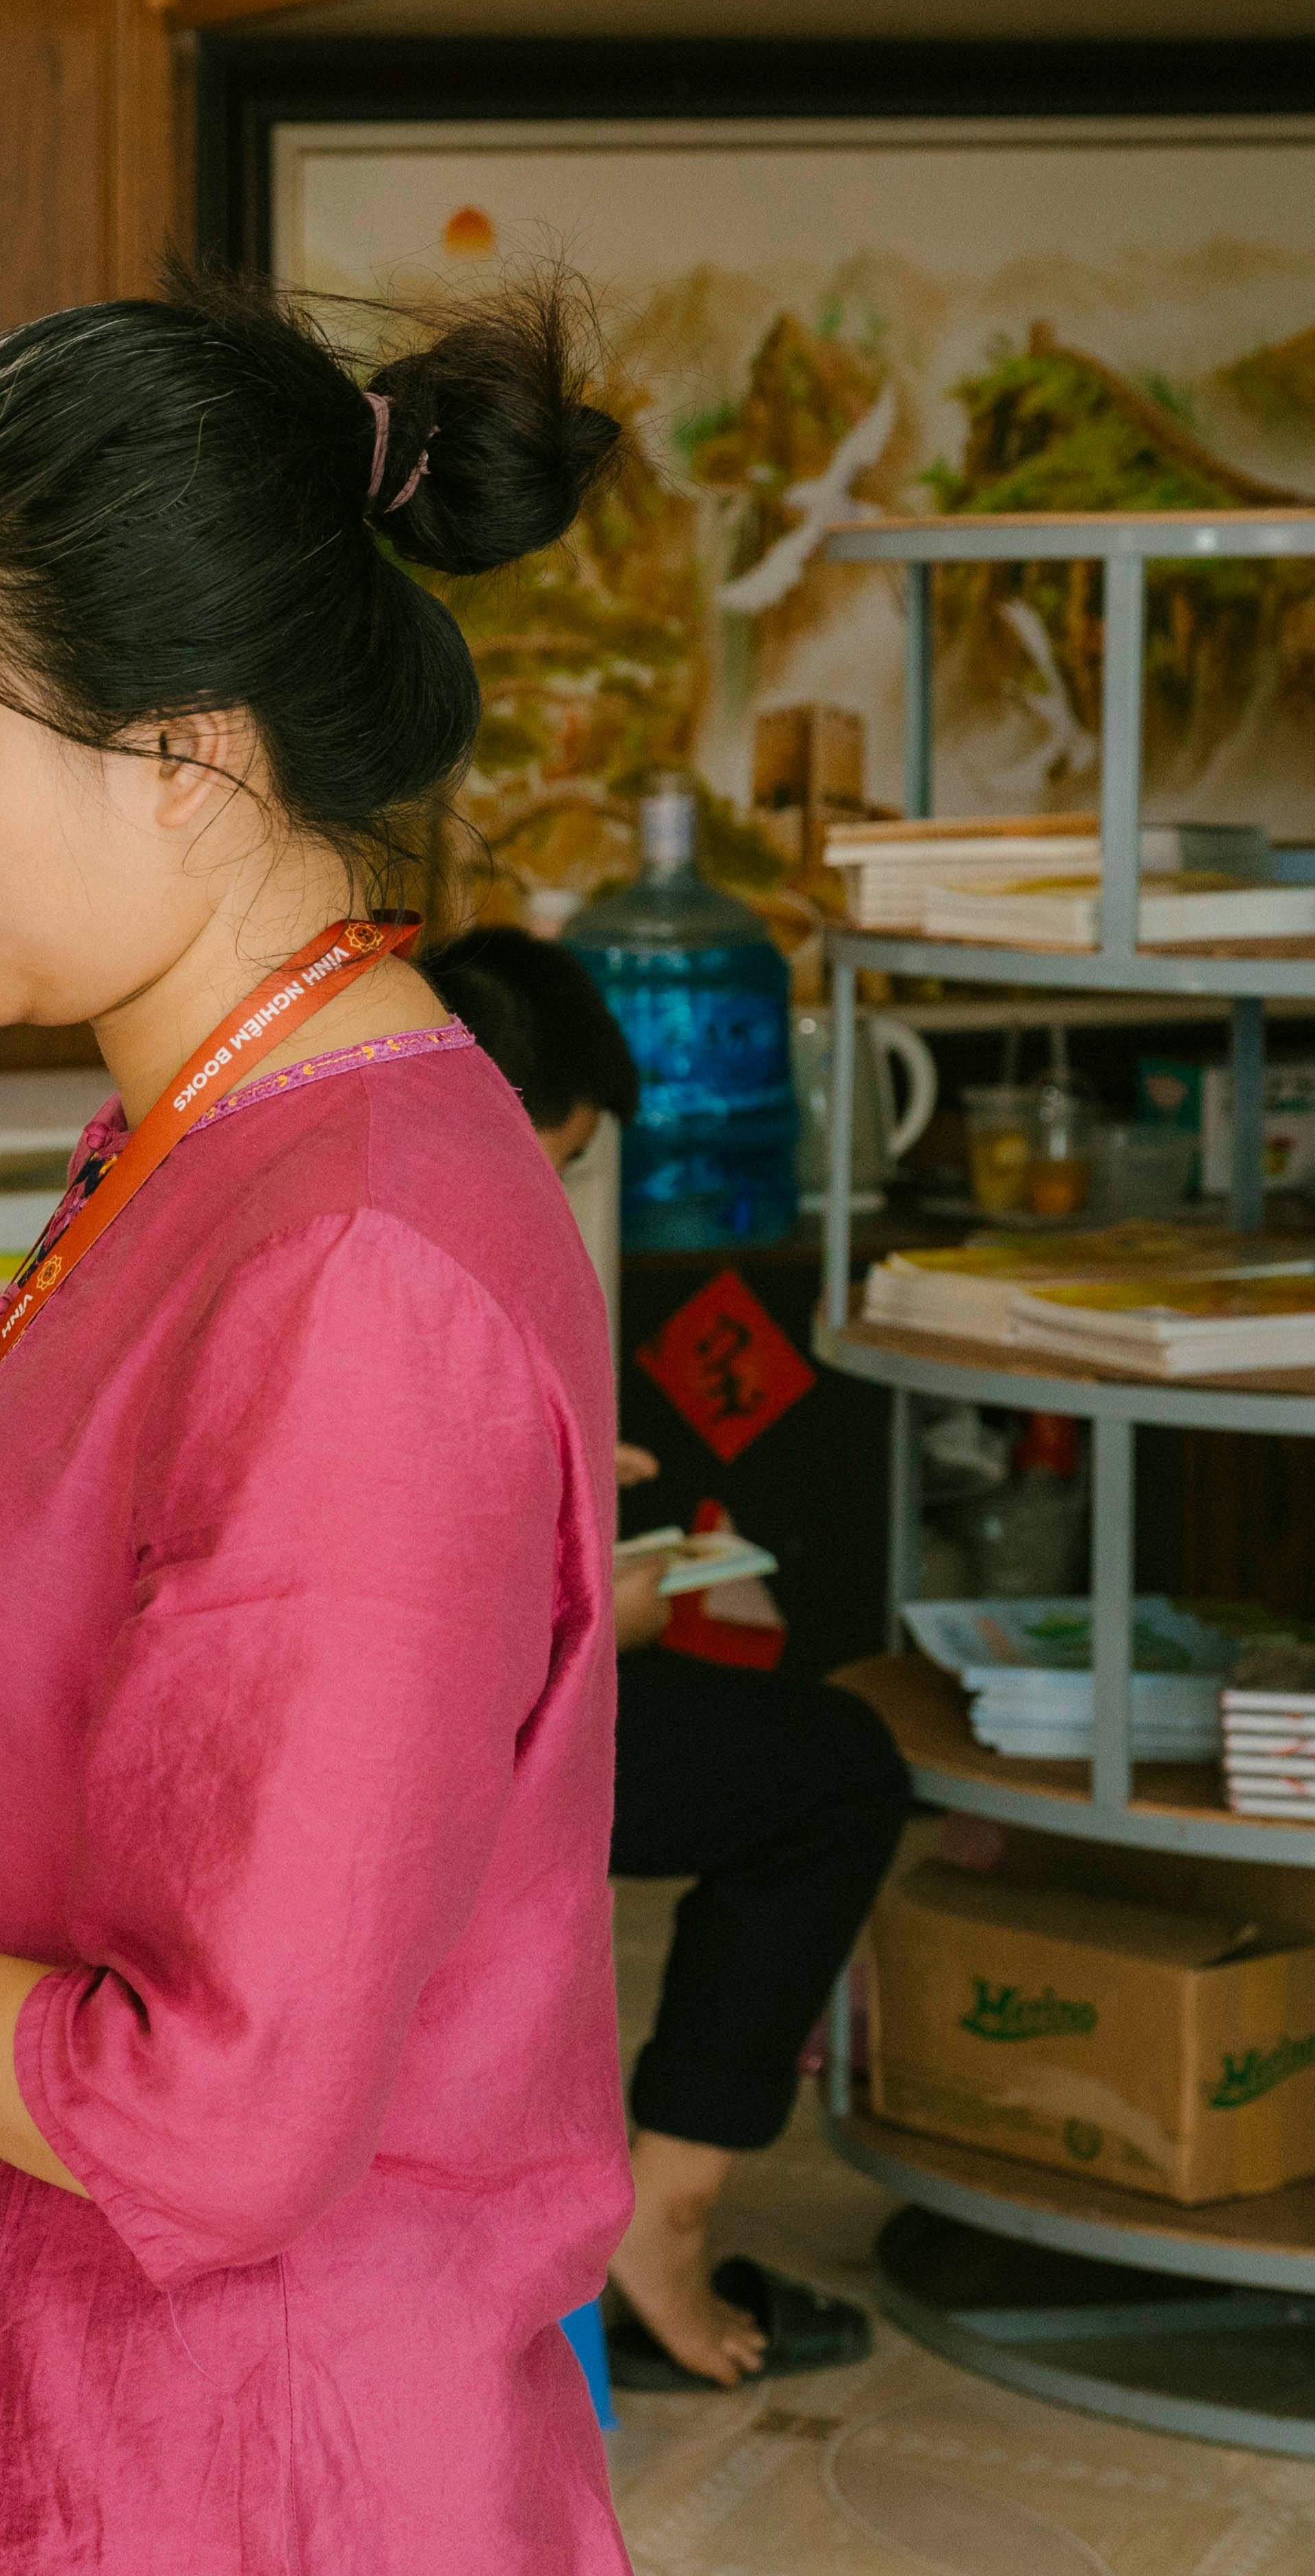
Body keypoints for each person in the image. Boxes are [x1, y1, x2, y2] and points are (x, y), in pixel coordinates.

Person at [0, 268, 636, 2571]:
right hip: (53, 2417)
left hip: (246, 2480)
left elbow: (223, 2116)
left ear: (186, 748)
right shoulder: (189, 1138)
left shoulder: (356, 1267)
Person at [424, 924, 899, 2390]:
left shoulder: (350, 1194)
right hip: (439, 1744)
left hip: (419, 1714)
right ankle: (667, 2211)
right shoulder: (413, 1239)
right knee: (835, 1776)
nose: (556, 1192)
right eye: (555, 1158)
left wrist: (564, 1510)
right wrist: (592, 1600)